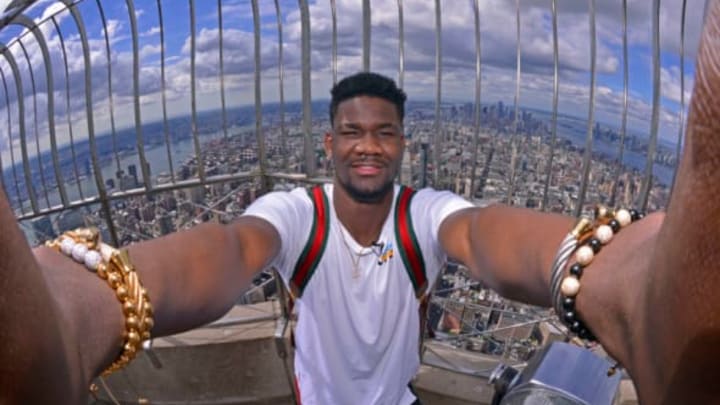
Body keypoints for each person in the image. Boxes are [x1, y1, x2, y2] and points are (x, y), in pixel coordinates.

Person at [3, 2, 720, 402]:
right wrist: (91, 300)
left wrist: (608, 273)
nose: (367, 147)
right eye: (351, 132)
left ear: (403, 143)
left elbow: (490, 238)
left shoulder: (426, 213)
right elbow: (226, 252)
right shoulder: (296, 216)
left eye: (383, 133)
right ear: (329, 144)